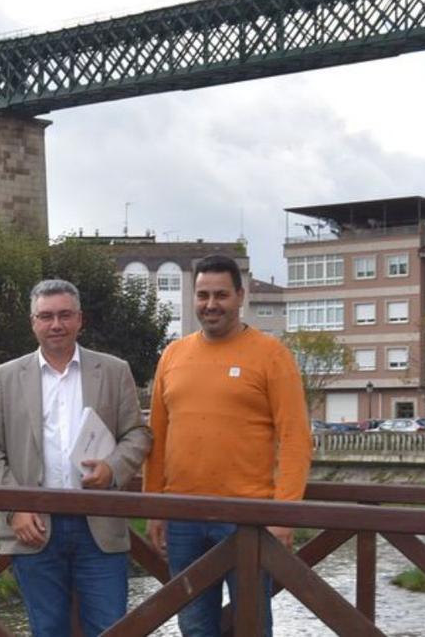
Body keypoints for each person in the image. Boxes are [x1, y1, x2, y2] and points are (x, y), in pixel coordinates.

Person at [144, 254, 312, 636]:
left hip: (248, 517)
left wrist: (284, 513)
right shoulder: (172, 355)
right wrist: (154, 504)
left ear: (240, 295)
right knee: (194, 626)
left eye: (221, 294)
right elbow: (158, 434)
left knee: (250, 625)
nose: (211, 304)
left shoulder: (271, 354)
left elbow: (295, 437)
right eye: (202, 295)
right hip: (182, 515)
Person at [0, 279, 151, 637]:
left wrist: (113, 469)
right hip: (33, 525)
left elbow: (137, 434)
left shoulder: (114, 370)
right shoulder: (6, 377)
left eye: (65, 315)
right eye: (46, 316)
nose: (56, 324)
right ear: (33, 322)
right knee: (48, 630)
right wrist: (15, 506)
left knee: (110, 629)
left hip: (98, 523)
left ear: (80, 319)